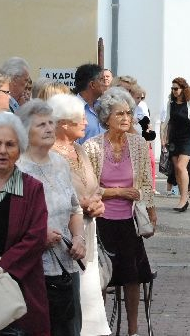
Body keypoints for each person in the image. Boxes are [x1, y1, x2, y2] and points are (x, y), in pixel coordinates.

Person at [83, 87, 157, 336]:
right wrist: (118, 192)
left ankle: (133, 331)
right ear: (106, 117)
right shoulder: (93, 146)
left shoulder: (138, 144)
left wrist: (151, 211)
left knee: (132, 278)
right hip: (101, 221)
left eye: (128, 113)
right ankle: (100, 329)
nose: (126, 118)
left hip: (130, 221)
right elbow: (89, 188)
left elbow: (145, 182)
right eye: (120, 114)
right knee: (101, 278)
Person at [16, 100, 87, 336]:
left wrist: (79, 238)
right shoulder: (17, 169)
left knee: (68, 329)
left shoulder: (60, 163)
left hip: (66, 265)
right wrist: (39, 236)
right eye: (41, 125)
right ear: (25, 131)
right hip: (32, 269)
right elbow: (10, 221)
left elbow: (75, 209)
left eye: (50, 123)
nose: (49, 128)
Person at [50, 93, 110, 336]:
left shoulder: (79, 149)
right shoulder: (50, 154)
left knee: (90, 291)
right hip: (65, 233)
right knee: (74, 295)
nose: (86, 122)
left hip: (88, 229)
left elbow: (93, 184)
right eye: (80, 119)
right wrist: (83, 204)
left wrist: (97, 202)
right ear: (64, 124)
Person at [0, 112, 50, 336]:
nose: (2, 151)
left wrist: (0, 267)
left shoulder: (32, 188)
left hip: (21, 287)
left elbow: (36, 237)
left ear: (20, 149)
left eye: (10, 144)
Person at [160, 77, 190, 211]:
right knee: (177, 169)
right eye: (172, 88)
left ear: (183, 89)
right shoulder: (171, 103)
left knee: (181, 166)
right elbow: (167, 121)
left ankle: (184, 198)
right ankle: (183, 198)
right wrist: (164, 138)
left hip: (188, 139)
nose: (174, 91)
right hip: (174, 139)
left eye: (176, 88)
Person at [74, 64, 107, 144]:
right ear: (92, 84)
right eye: (102, 80)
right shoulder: (72, 109)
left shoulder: (103, 107)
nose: (105, 84)